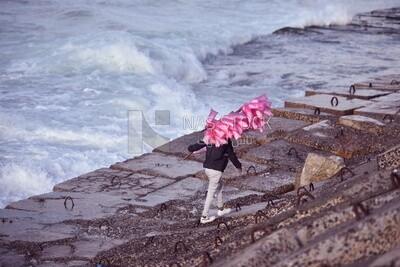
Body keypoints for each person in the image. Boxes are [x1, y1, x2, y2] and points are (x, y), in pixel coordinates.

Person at [188, 139, 242, 224]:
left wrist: (190, 148)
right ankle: (204, 217)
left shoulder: (211, 136)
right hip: (216, 170)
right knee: (211, 193)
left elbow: (197, 146)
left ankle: (221, 209)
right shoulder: (226, 140)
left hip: (207, 168)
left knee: (220, 185)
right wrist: (238, 166)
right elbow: (231, 154)